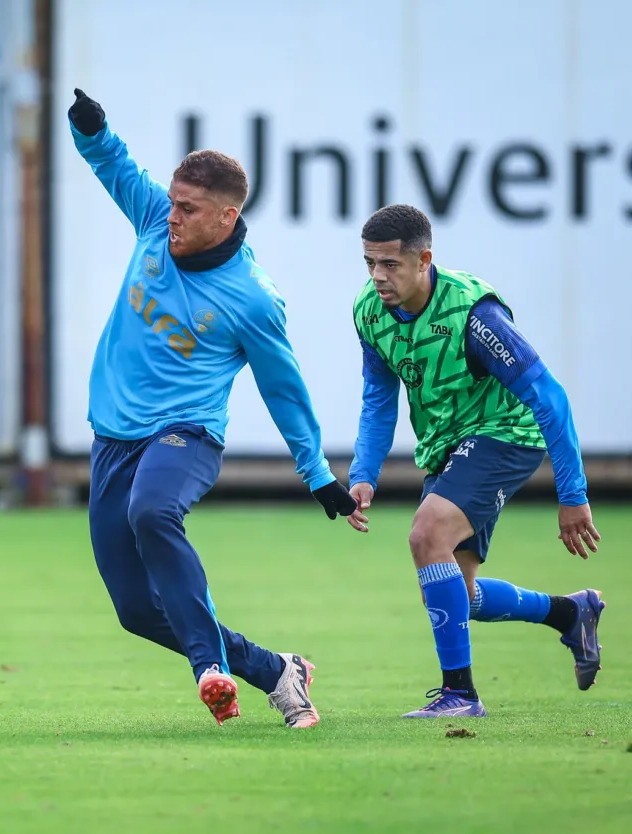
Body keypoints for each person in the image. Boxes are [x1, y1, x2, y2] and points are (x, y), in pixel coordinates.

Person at [68, 89, 357, 727]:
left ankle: (209, 670)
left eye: (188, 209)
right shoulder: (153, 221)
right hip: (113, 440)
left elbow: (284, 387)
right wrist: (91, 129)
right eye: (172, 201)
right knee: (137, 612)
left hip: (185, 435)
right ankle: (275, 671)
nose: (172, 216)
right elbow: (116, 165)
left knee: (152, 510)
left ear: (226, 218)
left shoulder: (252, 299)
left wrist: (317, 474)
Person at [347, 203, 604, 719]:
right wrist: (362, 474)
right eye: (370, 263)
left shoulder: (474, 315)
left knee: (426, 535)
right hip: (447, 447)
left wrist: (573, 495)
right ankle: (570, 612)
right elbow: (379, 398)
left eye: (390, 265)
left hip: (504, 435)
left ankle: (460, 695)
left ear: (425, 260)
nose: (378, 276)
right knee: (451, 594)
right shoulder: (369, 312)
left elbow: (549, 399)